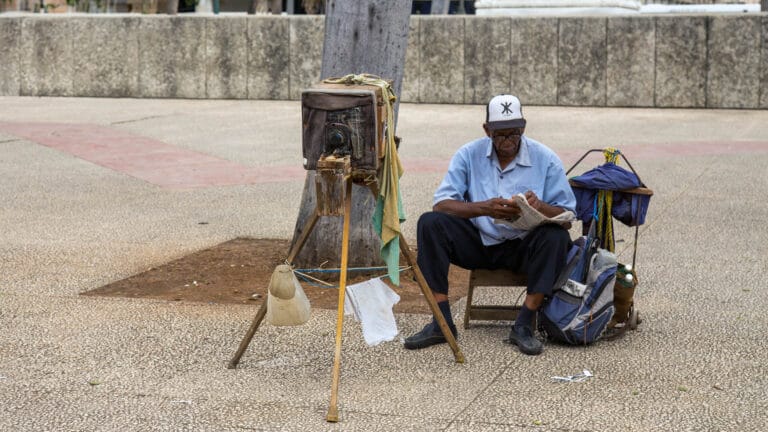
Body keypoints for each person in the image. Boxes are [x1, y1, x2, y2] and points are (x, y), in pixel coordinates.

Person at [404, 94, 576, 355]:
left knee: (555, 238)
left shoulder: (545, 158)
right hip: (479, 243)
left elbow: (567, 216)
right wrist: (482, 208)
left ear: (524, 127)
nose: (508, 141)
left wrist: (538, 207)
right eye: (501, 135)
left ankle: (524, 324)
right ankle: (441, 322)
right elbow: (441, 204)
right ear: (487, 131)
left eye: (514, 134)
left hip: (522, 247)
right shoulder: (468, 154)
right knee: (430, 224)